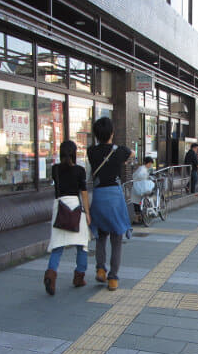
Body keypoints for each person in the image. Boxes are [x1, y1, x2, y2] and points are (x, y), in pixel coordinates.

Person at [87, 117, 134, 291]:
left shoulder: (91, 151)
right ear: (112, 133)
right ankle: (113, 278)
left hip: (99, 196)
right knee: (116, 238)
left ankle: (100, 269)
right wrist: (123, 160)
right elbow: (132, 154)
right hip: (114, 197)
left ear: (96, 135)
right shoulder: (120, 151)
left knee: (101, 235)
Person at [44, 140, 91, 296]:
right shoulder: (80, 170)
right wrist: (88, 213)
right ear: (74, 153)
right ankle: (79, 277)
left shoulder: (55, 169)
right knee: (82, 243)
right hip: (76, 207)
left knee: (57, 245)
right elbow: (83, 193)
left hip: (59, 207)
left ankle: (51, 274)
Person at [131, 157, 155, 221]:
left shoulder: (145, 169)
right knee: (137, 204)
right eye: (150, 163)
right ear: (147, 163)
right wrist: (147, 176)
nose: (150, 165)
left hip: (140, 188)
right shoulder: (142, 168)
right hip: (138, 188)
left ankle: (140, 218)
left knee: (139, 203)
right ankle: (137, 218)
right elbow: (139, 176)